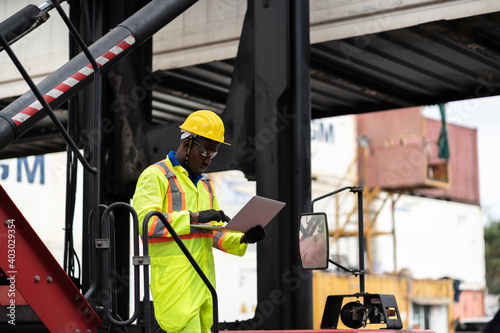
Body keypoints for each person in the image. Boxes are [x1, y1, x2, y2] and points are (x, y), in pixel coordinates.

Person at [132, 110, 266, 333]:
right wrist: (194, 217)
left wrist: (243, 238)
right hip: (176, 286)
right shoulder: (155, 175)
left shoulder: (206, 184)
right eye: (204, 152)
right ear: (187, 142)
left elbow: (211, 233)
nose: (208, 159)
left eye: (212, 154)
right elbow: (145, 224)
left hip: (204, 285)